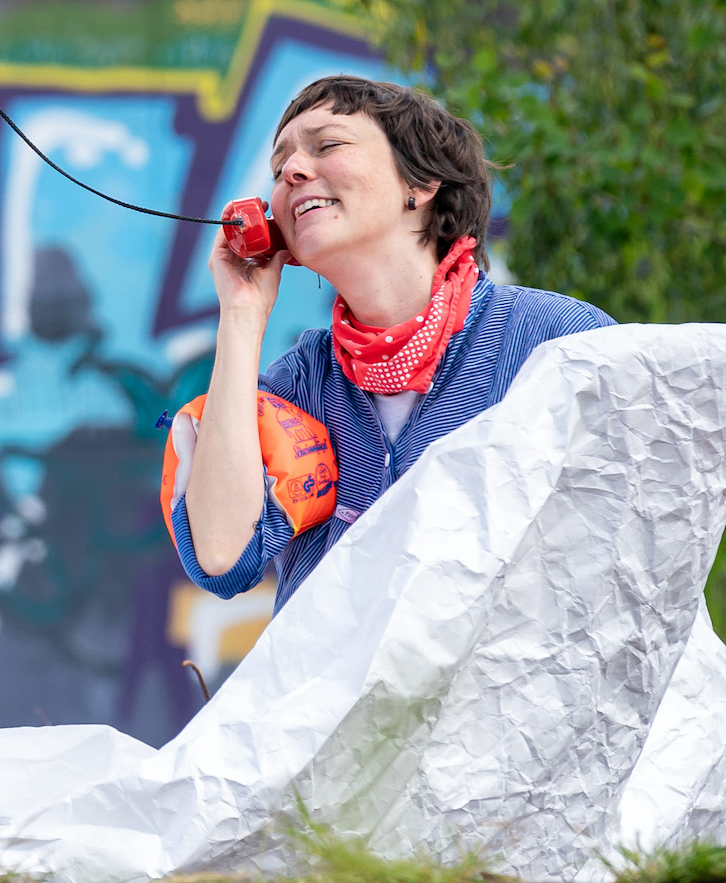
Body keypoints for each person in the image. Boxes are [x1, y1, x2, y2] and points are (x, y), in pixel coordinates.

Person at [170, 75, 616, 611]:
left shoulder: (557, 340)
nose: (291, 172)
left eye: (328, 145)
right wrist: (241, 316)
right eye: (279, 169)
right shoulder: (297, 385)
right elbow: (222, 556)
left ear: (420, 184)